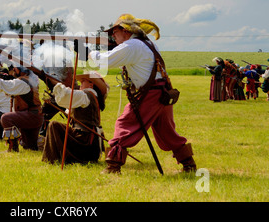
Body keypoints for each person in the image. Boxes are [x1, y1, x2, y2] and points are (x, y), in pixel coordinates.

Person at [87, 13, 196, 174]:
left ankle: (113, 166)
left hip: (151, 93)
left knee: (124, 125)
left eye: (114, 32)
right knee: (167, 132)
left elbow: (105, 61)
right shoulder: (144, 43)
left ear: (124, 30)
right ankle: (189, 164)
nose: (112, 36)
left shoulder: (132, 46)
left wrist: (87, 52)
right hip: (162, 91)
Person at [42, 71, 109, 165]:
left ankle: (53, 159)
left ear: (91, 85)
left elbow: (66, 96)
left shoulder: (86, 94)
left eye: (84, 80)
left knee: (54, 125)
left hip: (85, 142)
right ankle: (58, 158)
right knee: (56, 126)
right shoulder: (89, 96)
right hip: (85, 141)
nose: (80, 82)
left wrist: (56, 84)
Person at [0, 65, 44, 152]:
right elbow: (9, 87)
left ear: (22, 70)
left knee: (6, 118)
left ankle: (13, 148)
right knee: (29, 146)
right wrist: (8, 79)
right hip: (33, 116)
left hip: (31, 116)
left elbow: (4, 85)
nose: (14, 69)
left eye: (16, 68)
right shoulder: (28, 80)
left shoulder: (23, 82)